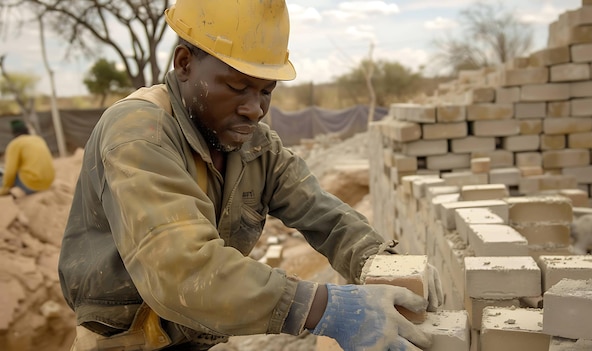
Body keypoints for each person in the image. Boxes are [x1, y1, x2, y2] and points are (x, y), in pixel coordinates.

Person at [58, 1, 443, 350]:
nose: (254, 109)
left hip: (194, 338)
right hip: (125, 344)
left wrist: (383, 263)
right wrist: (324, 307)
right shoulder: (139, 132)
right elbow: (180, 271)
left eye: (265, 92)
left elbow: (326, 216)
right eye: (238, 87)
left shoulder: (256, 147)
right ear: (184, 63)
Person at [0, 119, 55, 197]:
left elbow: (10, 172)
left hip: (31, 185)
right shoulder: (39, 139)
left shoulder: (15, 144)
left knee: (4, 176)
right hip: (48, 183)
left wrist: (4, 190)